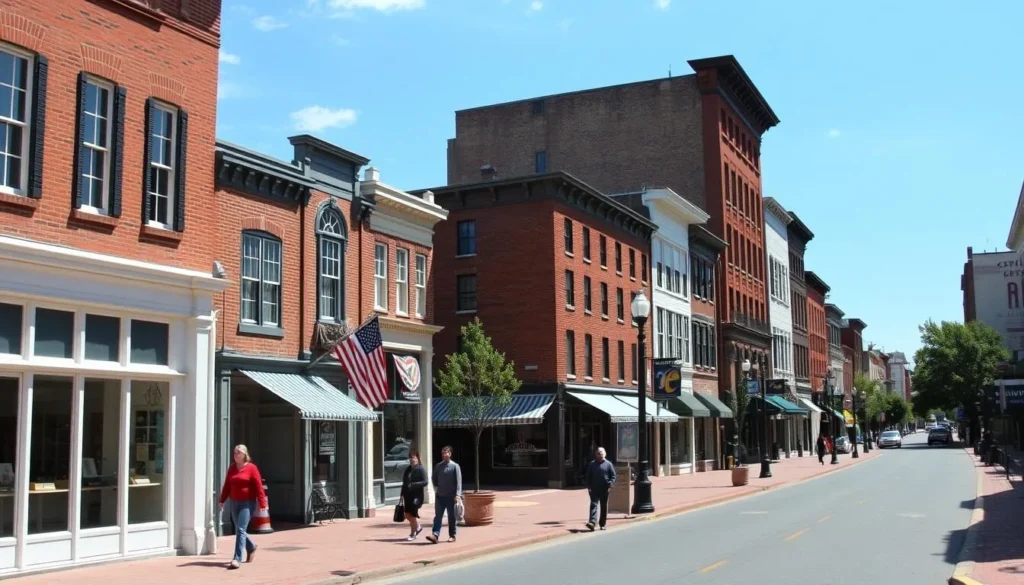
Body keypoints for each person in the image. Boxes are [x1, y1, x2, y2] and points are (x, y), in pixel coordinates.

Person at [218, 444, 267, 569]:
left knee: (240, 529)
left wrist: (262, 503)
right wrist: (222, 500)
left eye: (238, 452)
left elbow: (258, 486)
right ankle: (251, 547)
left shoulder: (252, 468)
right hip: (235, 502)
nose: (235, 454)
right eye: (234, 452)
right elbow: (227, 485)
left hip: (247, 503)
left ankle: (236, 559)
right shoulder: (232, 469)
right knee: (240, 530)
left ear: (244, 454)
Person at [426, 446, 462, 544]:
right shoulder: (438, 466)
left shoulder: (455, 466)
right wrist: (437, 488)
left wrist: (458, 495)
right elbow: (434, 479)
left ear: (450, 454)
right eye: (442, 453)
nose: (444, 455)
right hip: (440, 496)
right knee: (438, 516)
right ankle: (435, 535)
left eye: (446, 453)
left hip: (451, 497)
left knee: (451, 517)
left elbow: (459, 482)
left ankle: (452, 535)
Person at [583, 447, 616, 531]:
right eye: (598, 453)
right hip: (594, 488)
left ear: (604, 454)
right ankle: (592, 522)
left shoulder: (608, 464)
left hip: (604, 488)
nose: (599, 454)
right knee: (593, 505)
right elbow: (588, 476)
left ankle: (602, 524)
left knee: (603, 506)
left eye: (601, 453)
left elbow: (613, 476)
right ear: (595, 454)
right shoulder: (592, 464)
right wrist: (589, 486)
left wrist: (611, 483)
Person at [400, 450, 429, 541]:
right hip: (407, 495)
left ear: (417, 458)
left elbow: (425, 482)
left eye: (414, 457)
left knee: (412, 515)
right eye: (410, 457)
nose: (412, 459)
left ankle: (413, 533)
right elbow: (404, 482)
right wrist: (401, 494)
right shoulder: (408, 469)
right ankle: (418, 527)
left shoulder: (421, 468)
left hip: (416, 496)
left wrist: (414, 484)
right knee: (407, 514)